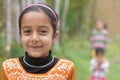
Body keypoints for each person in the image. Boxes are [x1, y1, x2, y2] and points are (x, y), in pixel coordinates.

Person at [1, 4, 76, 80]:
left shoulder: (66, 69)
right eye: (27, 31)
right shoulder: (9, 69)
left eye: (43, 31)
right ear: (21, 35)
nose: (34, 38)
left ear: (54, 36)